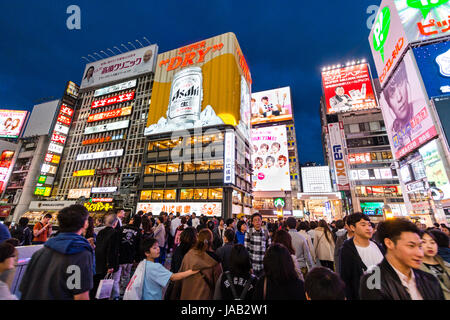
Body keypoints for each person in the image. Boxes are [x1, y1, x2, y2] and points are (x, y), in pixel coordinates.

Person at [20, 205, 94, 300]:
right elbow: (80, 296)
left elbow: (24, 289)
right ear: (85, 224)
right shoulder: (79, 254)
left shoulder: (39, 253)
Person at [360, 218, 445, 300]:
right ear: (389, 243)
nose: (420, 254)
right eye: (411, 246)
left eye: (419, 246)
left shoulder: (429, 279)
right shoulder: (374, 281)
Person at [339, 213, 384, 300]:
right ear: (352, 228)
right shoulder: (347, 250)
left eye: (369, 225)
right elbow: (345, 279)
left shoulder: (378, 246)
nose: (368, 228)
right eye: (363, 225)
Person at [172, 229, 222, 300]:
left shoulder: (189, 255)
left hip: (186, 296)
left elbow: (179, 278)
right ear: (211, 240)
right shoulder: (215, 261)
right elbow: (218, 286)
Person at [93, 214, 120, 300]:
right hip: (107, 263)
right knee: (104, 286)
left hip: (98, 261)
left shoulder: (101, 232)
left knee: (97, 284)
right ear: (115, 223)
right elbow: (112, 250)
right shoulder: (115, 233)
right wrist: (111, 265)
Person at [419, 231, 450, 300]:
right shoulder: (416, 269)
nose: (430, 246)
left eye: (432, 242)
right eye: (423, 242)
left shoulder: (446, 264)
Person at [118, 215, 142, 297]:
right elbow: (139, 246)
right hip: (130, 257)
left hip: (120, 256)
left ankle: (116, 293)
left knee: (117, 275)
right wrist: (137, 259)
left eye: (132, 219)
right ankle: (123, 292)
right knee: (126, 275)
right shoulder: (138, 231)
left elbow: (116, 241)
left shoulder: (122, 228)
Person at [245, 213, 271, 277]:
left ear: (261, 221)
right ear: (252, 222)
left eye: (259, 220)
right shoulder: (249, 232)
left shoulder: (266, 232)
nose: (257, 222)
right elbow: (246, 250)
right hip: (252, 266)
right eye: (255, 220)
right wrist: (249, 266)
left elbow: (269, 249)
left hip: (263, 266)